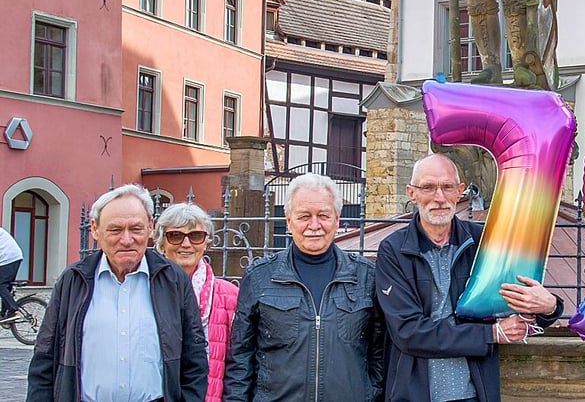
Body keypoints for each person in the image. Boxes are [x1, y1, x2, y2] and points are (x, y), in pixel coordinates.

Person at [375, 153, 564, 402]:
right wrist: (490, 334)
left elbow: (518, 301)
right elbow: (408, 332)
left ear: (459, 191)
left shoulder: (483, 242)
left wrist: (549, 307)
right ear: (412, 193)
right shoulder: (394, 250)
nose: (439, 197)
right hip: (414, 393)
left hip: (474, 393)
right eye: (428, 187)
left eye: (447, 187)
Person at [27, 184, 208, 402]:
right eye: (115, 230)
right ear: (95, 229)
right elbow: (44, 357)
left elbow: (194, 358)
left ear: (150, 227)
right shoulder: (73, 281)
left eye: (136, 229)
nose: (127, 239)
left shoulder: (173, 280)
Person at [224, 173, 384, 402]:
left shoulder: (365, 277)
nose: (314, 225)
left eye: (323, 216)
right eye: (304, 216)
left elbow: (380, 354)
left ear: (337, 219)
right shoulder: (260, 277)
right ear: (289, 220)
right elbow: (240, 359)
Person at [156, 203, 239, 402]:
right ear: (161, 243)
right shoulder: (145, 290)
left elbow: (239, 363)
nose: (186, 244)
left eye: (195, 236)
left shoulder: (230, 295)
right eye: (175, 236)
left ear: (206, 243)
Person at [0, 225, 23, 324]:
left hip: (8, 258)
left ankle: (13, 310)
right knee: (5, 286)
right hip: (13, 257)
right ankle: (4, 314)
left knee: (1, 285)